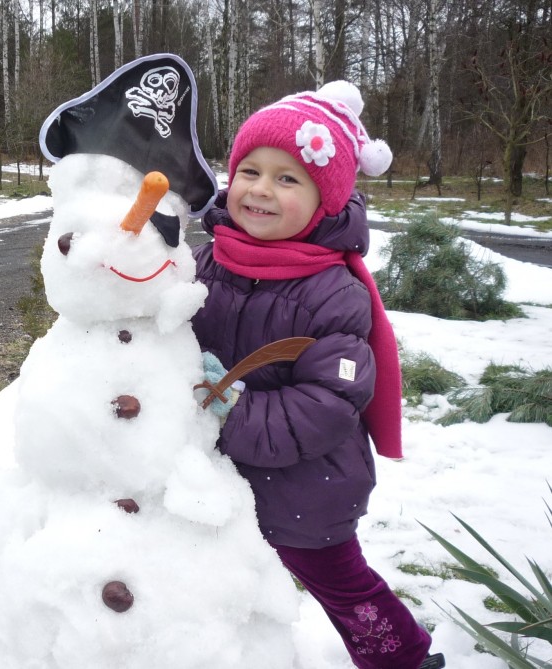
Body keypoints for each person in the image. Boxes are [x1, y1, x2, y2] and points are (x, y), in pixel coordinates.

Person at [191, 81, 443, 669]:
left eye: (288, 178)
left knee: (341, 585)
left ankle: (402, 658)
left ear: (325, 199)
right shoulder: (211, 258)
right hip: (216, 472)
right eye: (250, 170)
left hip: (304, 487)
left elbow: (330, 404)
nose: (260, 190)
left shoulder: (333, 291)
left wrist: (231, 408)